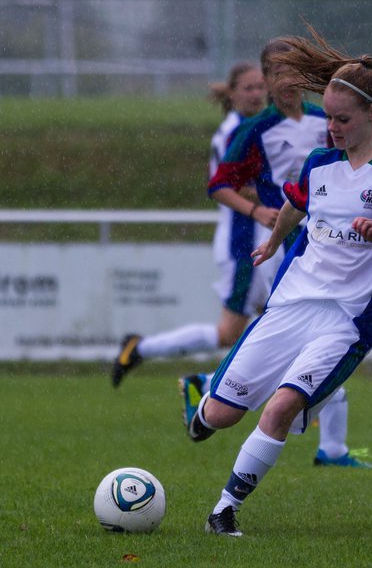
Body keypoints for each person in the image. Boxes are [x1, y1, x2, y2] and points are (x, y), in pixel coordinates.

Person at [186, 31, 372, 536]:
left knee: (282, 406)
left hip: (345, 320)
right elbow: (296, 202)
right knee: (219, 416)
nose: (332, 127)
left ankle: (224, 510)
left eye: (343, 119)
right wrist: (273, 240)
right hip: (289, 304)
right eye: (327, 116)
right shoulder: (320, 163)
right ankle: (203, 404)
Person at [112, 42, 371, 468]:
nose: (286, 83)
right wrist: (259, 209)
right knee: (301, 338)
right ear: (268, 81)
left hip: (330, 246)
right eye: (275, 76)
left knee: (309, 339)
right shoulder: (253, 131)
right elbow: (219, 184)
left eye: (294, 73)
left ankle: (329, 446)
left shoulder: (328, 121)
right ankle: (321, 443)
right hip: (285, 253)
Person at [110, 60, 266, 384]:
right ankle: (152, 355)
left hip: (259, 241)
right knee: (232, 333)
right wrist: (287, 194)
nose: (256, 94)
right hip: (244, 245)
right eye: (248, 88)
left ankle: (301, 403)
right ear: (233, 94)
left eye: (261, 87)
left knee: (284, 323)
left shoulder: (257, 128)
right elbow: (232, 187)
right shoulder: (236, 132)